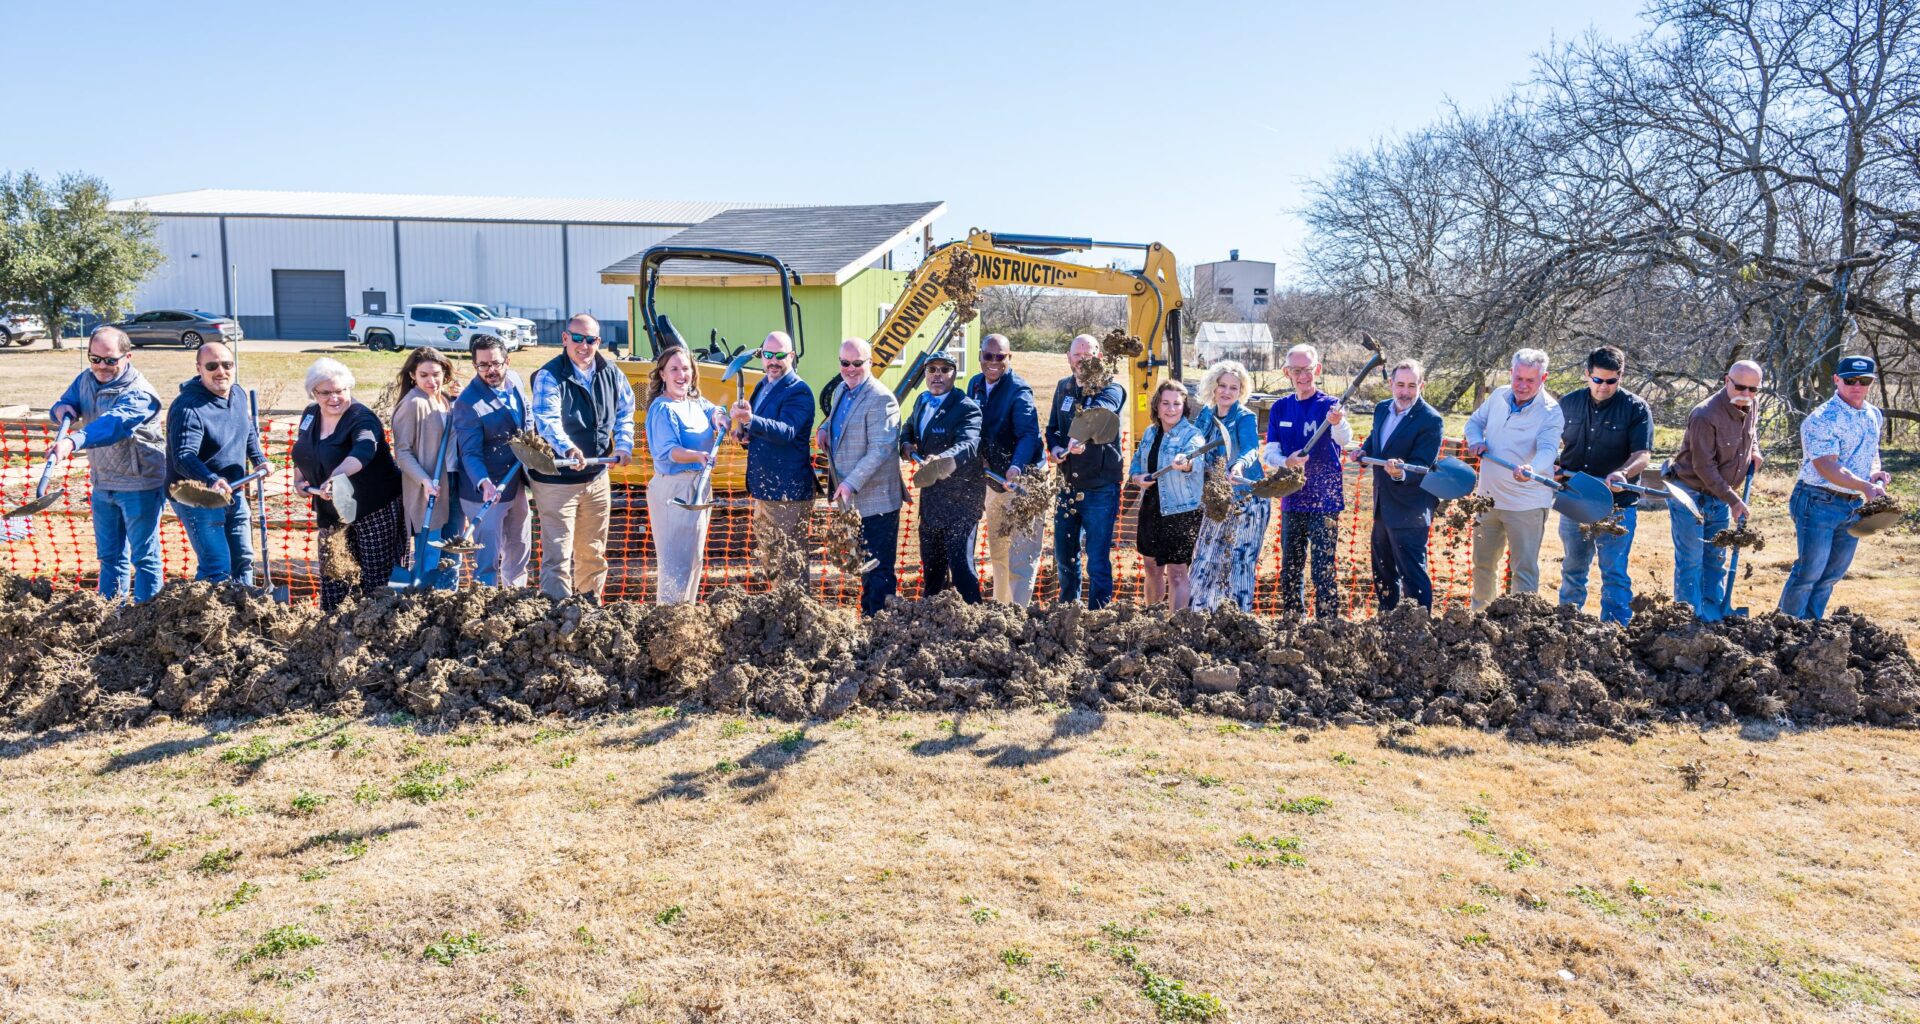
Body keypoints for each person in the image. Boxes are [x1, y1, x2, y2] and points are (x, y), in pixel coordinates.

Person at [48, 326, 167, 602]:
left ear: (128, 357)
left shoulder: (140, 394)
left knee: (144, 557)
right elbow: (67, 401)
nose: (101, 366)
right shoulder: (86, 379)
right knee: (110, 557)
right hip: (103, 483)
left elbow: (113, 424)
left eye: (110, 360)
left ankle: (147, 615)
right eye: (95, 358)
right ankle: (110, 613)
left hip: (140, 485)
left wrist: (72, 442)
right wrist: (61, 409)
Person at [528, 313, 635, 602]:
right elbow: (547, 420)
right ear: (565, 338)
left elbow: (625, 412)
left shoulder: (612, 373)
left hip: (596, 477)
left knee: (593, 550)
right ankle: (556, 612)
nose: (583, 346)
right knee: (558, 553)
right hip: (557, 480)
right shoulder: (550, 376)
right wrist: (568, 449)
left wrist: (624, 445)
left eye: (590, 340)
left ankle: (590, 607)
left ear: (598, 342)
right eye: (577, 338)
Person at [1778, 355, 1892, 619]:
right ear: (1836, 380)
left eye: (1864, 381)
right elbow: (1827, 466)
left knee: (1831, 575)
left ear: (1872, 382)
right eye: (1850, 380)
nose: (1857, 386)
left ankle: (1811, 628)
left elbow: (1870, 453)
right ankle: (1786, 628)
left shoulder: (1873, 414)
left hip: (1853, 504)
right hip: (1817, 500)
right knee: (1809, 573)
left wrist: (1874, 474)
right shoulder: (1822, 418)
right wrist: (1865, 486)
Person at [1244, 343, 1352, 617]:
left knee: (1323, 566)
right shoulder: (1281, 408)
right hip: (1293, 497)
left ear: (1318, 369)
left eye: (1307, 369)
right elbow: (1270, 452)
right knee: (1291, 565)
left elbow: (1344, 440)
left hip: (1325, 499)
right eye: (1296, 370)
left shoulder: (1331, 406)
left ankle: (1327, 622)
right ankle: (1293, 619)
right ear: (1287, 372)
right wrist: (1287, 462)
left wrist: (1338, 422)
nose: (1302, 376)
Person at [290, 358, 405, 610]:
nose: (334, 398)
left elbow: (364, 449)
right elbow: (303, 448)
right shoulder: (310, 414)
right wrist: (299, 478)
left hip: (372, 508)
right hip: (331, 511)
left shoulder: (362, 418)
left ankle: (377, 622)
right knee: (334, 575)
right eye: (326, 392)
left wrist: (337, 476)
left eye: (340, 390)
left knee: (377, 578)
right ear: (313, 392)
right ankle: (332, 624)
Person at [1552, 345, 1653, 625]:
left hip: (1616, 504)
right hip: (1575, 498)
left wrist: (1623, 473)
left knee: (1614, 572)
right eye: (1597, 380)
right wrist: (1552, 464)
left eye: (1611, 381)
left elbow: (1642, 453)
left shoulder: (1635, 408)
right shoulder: (1568, 403)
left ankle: (1616, 629)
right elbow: (1550, 442)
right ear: (1587, 374)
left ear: (1621, 376)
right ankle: (1567, 624)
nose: (1603, 387)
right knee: (1573, 567)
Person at [1464, 348, 1565, 610]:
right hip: (1487, 500)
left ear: (1544, 378)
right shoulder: (1498, 396)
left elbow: (1548, 449)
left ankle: (1520, 624)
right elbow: (1474, 423)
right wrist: (1475, 441)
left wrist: (1532, 468)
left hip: (1526, 503)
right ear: (1511, 373)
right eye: (1518, 378)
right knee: (1483, 565)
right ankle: (1479, 619)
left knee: (1523, 570)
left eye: (1530, 380)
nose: (1522, 385)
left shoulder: (1551, 411)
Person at [165, 341, 268, 586]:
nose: (221, 371)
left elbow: (247, 429)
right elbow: (183, 456)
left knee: (243, 559)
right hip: (197, 495)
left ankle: (244, 604)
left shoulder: (237, 394)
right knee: (217, 565)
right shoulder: (188, 407)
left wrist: (259, 459)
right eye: (212, 366)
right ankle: (209, 609)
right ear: (199, 369)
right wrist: (211, 479)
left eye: (227, 364)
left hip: (234, 489)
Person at [1667, 360, 1763, 620]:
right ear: (1726, 381)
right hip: (1689, 494)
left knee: (1715, 558)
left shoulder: (1751, 404)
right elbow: (1704, 467)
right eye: (1740, 387)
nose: (1746, 394)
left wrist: (1754, 451)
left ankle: (1712, 618)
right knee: (1691, 560)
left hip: (1719, 496)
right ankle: (1687, 620)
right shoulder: (1705, 415)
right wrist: (1733, 500)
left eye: (1753, 389)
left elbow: (1751, 433)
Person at [816, 338, 903, 615]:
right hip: (853, 501)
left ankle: (883, 625)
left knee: (879, 570)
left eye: (857, 363)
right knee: (865, 567)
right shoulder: (842, 389)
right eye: (845, 363)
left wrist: (850, 483)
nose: (850, 369)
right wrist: (824, 429)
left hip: (877, 501)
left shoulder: (881, 399)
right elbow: (837, 419)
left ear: (870, 362)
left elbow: (880, 449)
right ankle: (868, 620)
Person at [1045, 333, 1126, 608]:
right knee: (1065, 557)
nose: (1082, 360)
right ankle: (1069, 612)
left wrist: (1081, 434)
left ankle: (1099, 616)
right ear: (1068, 357)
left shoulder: (1111, 388)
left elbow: (1100, 412)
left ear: (1099, 357)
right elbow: (1053, 428)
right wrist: (1056, 447)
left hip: (1100, 488)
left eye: (1088, 355)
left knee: (1097, 560)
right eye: (1077, 355)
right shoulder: (1063, 387)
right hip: (1067, 486)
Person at [1356, 359, 1444, 611]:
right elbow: (1376, 439)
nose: (1405, 392)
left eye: (1412, 386)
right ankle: (1387, 619)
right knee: (1382, 569)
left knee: (1412, 573)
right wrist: (1364, 451)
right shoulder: (1382, 408)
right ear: (1391, 384)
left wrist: (1399, 472)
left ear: (1421, 386)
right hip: (1382, 505)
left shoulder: (1430, 419)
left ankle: (1419, 625)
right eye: (1401, 384)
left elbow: (1422, 465)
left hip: (1410, 509)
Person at [730, 330, 816, 582]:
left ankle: (794, 607)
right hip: (765, 490)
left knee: (788, 566)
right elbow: (762, 430)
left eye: (780, 355)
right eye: (768, 355)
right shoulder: (763, 385)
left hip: (787, 493)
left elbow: (787, 431)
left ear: (792, 356)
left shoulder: (799, 391)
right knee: (772, 561)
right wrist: (746, 434)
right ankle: (780, 604)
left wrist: (751, 420)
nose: (773, 361)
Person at [646, 346, 728, 604]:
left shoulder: (693, 402)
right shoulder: (662, 408)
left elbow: (713, 410)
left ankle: (686, 613)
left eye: (686, 368)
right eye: (674, 369)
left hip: (699, 486)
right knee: (675, 564)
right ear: (662, 374)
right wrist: (697, 455)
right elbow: (667, 451)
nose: (681, 375)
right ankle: (669, 617)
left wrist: (720, 417)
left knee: (694, 560)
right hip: (674, 490)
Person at [967, 333, 1044, 605]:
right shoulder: (975, 384)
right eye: (988, 356)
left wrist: (1016, 467)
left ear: (1009, 358)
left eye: (1000, 357)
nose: (993, 362)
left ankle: (1017, 615)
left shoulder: (1019, 391)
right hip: (993, 480)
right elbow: (972, 428)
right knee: (999, 552)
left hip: (1023, 481)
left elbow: (1028, 434)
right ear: (980, 356)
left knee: (1020, 557)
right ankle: (1001, 612)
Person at [901, 350, 984, 603]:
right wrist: (906, 444)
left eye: (944, 370)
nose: (937, 375)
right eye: (932, 370)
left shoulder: (966, 408)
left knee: (961, 569)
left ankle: (975, 618)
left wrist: (942, 459)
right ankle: (932, 618)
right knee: (932, 569)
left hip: (962, 501)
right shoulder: (922, 401)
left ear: (954, 374)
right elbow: (909, 427)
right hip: (932, 500)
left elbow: (968, 444)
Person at [451, 336, 532, 588]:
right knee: (487, 559)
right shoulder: (468, 403)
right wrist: (483, 482)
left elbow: (526, 418)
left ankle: (515, 597)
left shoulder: (515, 382)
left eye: (496, 363)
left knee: (519, 547)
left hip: (515, 482)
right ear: (475, 365)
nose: (490, 370)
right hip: (484, 492)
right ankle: (485, 600)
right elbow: (470, 452)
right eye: (483, 365)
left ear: (507, 361)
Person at [1190, 360, 1269, 612]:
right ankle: (1199, 615)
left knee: (1239, 562)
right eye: (1222, 385)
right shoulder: (1206, 415)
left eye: (1233, 387)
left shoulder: (1244, 417)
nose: (1226, 391)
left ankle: (1238, 617)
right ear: (1213, 387)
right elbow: (1193, 444)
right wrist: (1185, 457)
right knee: (1206, 557)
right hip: (1217, 500)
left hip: (1247, 500)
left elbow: (1251, 448)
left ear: (1240, 391)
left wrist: (1239, 466)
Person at [389, 347, 465, 589]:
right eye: (424, 375)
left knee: (453, 549)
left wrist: (459, 401)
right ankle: (423, 599)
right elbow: (402, 452)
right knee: (430, 551)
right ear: (413, 375)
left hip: (454, 480)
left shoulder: (446, 400)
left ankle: (448, 599)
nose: (431, 381)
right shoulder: (413, 403)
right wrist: (424, 481)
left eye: (436, 374)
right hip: (429, 486)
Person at [1128, 379, 1206, 608]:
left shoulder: (1192, 435)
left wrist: (1185, 462)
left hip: (1181, 512)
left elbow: (1195, 459)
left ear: (1184, 407)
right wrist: (1137, 478)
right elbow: (1136, 463)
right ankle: (1152, 616)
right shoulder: (1150, 433)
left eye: (1176, 404)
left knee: (1177, 572)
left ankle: (1176, 624)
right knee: (1151, 567)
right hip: (1151, 507)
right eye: (1165, 403)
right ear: (1157, 406)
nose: (1171, 409)